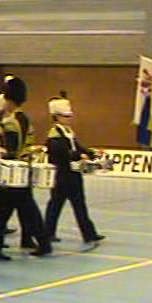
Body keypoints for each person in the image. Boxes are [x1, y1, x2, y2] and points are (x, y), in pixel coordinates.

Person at [0, 76, 51, 259]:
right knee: (28, 210)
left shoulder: (10, 122)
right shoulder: (25, 119)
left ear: (8, 99)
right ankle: (43, 243)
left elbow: (11, 149)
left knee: (1, 212)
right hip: (24, 169)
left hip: (12, 173)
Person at [43, 93, 106, 245]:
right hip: (62, 174)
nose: (68, 119)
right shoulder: (54, 135)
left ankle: (89, 234)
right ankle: (48, 233)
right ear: (56, 117)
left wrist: (91, 153)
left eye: (69, 116)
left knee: (79, 204)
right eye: (65, 116)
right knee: (56, 205)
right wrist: (78, 155)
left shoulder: (68, 131)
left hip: (74, 173)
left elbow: (77, 146)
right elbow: (60, 152)